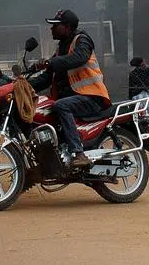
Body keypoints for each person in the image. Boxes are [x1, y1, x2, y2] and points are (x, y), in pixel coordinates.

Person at [27, 9, 112, 170]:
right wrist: (24, 85)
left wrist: (50, 62)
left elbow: (79, 57)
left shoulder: (82, 40)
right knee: (44, 109)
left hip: (92, 97)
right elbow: (46, 78)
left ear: (67, 27)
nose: (51, 29)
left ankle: (78, 153)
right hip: (75, 99)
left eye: (55, 25)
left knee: (61, 105)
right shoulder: (61, 49)